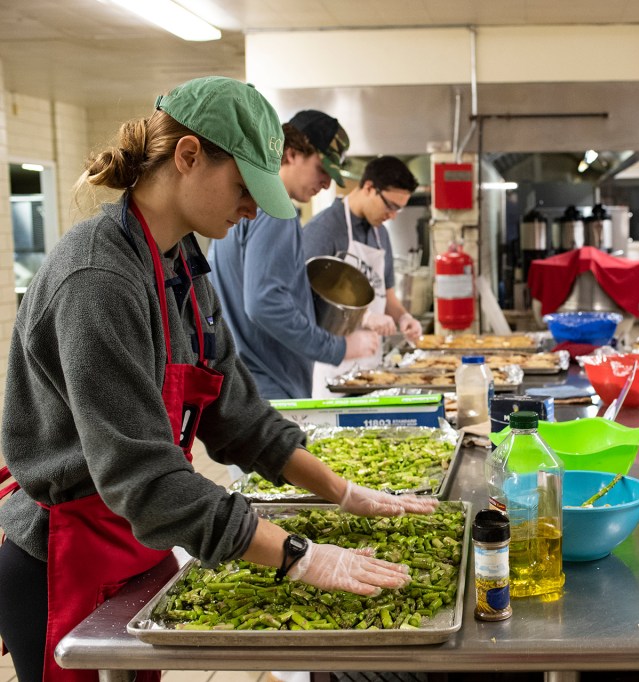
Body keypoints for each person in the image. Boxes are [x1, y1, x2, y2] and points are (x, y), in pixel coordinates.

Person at [0, 77, 436, 682]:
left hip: (138, 547)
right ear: (187, 157)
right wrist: (297, 556)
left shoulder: (183, 268)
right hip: (65, 558)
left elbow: (237, 416)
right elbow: (146, 482)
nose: (254, 208)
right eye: (243, 187)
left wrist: (340, 491)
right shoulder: (98, 280)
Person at [208, 109, 379, 400]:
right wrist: (340, 347)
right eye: (321, 170)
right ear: (290, 153)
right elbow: (265, 303)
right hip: (268, 389)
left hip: (242, 386)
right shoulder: (277, 212)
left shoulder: (246, 207)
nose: (327, 183)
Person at [303, 155, 423, 398]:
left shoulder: (381, 235)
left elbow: (386, 293)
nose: (393, 215)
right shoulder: (324, 229)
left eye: (399, 209)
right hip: (331, 368)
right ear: (369, 187)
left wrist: (404, 318)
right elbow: (305, 298)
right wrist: (365, 318)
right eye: (391, 206)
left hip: (370, 366)